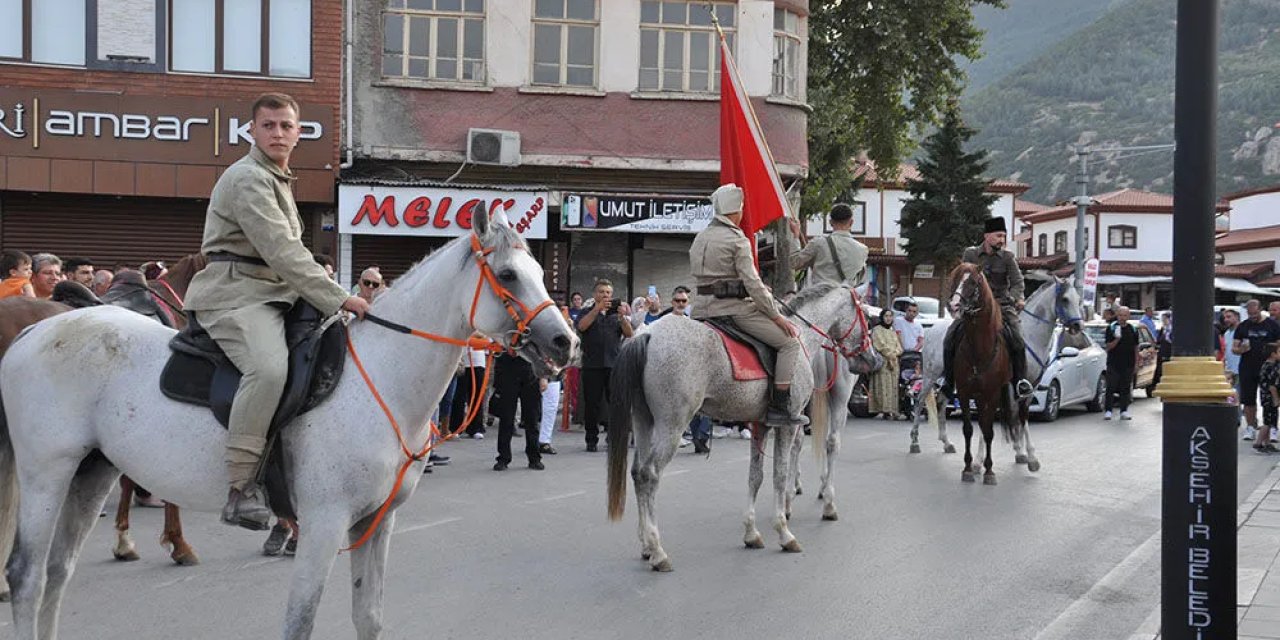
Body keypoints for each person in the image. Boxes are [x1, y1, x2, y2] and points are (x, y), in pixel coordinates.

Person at [183, 93, 370, 530]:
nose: (278, 133)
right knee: (268, 370)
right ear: (252, 130)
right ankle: (241, 486)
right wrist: (338, 296)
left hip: (272, 292)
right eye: (268, 125)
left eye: (286, 125)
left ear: (298, 133)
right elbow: (282, 249)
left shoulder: (277, 178)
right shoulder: (247, 178)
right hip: (235, 294)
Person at [690, 183, 806, 428]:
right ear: (736, 211)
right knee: (790, 343)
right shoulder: (737, 240)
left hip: (700, 310)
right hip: (732, 310)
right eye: (742, 209)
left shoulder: (701, 237)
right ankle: (779, 407)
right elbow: (752, 283)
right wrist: (776, 316)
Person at [941, 217, 1031, 399]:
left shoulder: (1007, 257)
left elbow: (1018, 282)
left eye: (1004, 236)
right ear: (987, 236)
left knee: (1018, 338)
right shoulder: (971, 254)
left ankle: (1020, 381)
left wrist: (1015, 298)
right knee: (950, 337)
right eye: (998, 236)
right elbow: (962, 278)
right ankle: (948, 381)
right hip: (973, 307)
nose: (1002, 240)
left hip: (1002, 305)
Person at [576, 279, 633, 451]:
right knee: (592, 404)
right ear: (595, 294)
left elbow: (629, 334)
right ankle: (591, 439)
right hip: (592, 365)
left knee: (615, 403)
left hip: (613, 365)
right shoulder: (586, 311)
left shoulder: (615, 314)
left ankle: (614, 437)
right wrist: (597, 309)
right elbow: (582, 327)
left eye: (608, 292)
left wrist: (622, 317)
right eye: (601, 292)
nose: (605, 295)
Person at [788, 202, 870, 287]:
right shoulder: (863, 250)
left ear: (830, 222)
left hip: (820, 294)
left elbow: (794, 262)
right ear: (851, 222)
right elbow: (860, 279)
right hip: (846, 294)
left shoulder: (818, 244)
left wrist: (796, 235)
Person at [1234, 299, 1280, 441]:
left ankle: (1272, 427)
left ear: (1260, 309)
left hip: (1268, 367)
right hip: (1248, 366)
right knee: (1248, 399)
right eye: (1250, 314)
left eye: (1255, 313)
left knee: (1269, 398)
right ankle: (1250, 427)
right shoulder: (1243, 326)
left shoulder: (1272, 325)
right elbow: (1234, 348)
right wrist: (1241, 349)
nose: (1252, 317)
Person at [491, 350, 544, 471]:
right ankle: (503, 458)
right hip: (507, 369)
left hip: (531, 371)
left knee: (532, 419)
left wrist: (544, 377)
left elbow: (541, 350)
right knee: (506, 418)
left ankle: (534, 457)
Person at [1103, 306, 1139, 420]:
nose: (1122, 318)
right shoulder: (1111, 328)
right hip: (1113, 363)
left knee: (1125, 387)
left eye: (1124, 315)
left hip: (1128, 363)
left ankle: (1124, 410)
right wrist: (1117, 339)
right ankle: (1108, 410)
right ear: (1117, 316)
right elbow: (1108, 346)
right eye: (1120, 315)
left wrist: (1136, 363)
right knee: (1111, 387)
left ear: (1128, 316)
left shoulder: (1133, 329)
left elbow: (1136, 347)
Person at [869, 308, 903, 419]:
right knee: (883, 385)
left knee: (893, 387)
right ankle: (885, 410)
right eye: (886, 316)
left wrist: (895, 353)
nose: (888, 318)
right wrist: (890, 355)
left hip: (894, 362)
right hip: (883, 362)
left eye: (890, 316)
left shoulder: (893, 331)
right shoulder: (877, 330)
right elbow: (880, 345)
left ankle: (893, 409)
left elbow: (899, 347)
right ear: (882, 317)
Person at [453, 343, 490, 439]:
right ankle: (455, 427)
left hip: (478, 361)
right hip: (462, 361)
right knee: (459, 397)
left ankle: (476, 428)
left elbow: (486, 339)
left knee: (477, 396)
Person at [1255, 343, 1280, 454]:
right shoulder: (1271, 367)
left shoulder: (1267, 365)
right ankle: (1258, 443)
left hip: (1265, 396)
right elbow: (1272, 386)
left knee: (1268, 420)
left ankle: (1267, 443)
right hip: (1269, 397)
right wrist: (1276, 399)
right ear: (1273, 354)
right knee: (1268, 422)